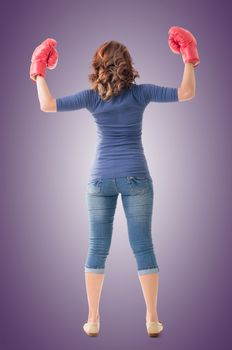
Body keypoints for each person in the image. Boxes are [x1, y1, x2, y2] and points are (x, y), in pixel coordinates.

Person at [30, 26, 199, 337]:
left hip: (99, 181)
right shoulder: (141, 93)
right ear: (127, 64)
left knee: (97, 248)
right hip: (137, 177)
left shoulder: (92, 98)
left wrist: (38, 71)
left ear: (99, 67)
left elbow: (47, 104)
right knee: (143, 247)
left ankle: (92, 319)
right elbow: (186, 92)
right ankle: (152, 319)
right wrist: (189, 57)